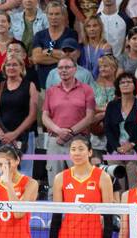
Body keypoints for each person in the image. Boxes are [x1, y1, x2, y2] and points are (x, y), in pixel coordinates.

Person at [41, 49, 96, 181]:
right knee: (54, 182)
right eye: (60, 68)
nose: (63, 70)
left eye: (67, 67)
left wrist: (69, 132)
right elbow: (44, 117)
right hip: (56, 140)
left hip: (79, 140)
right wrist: (59, 131)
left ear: (75, 69)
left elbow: (90, 117)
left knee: (80, 180)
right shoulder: (51, 91)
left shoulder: (86, 90)